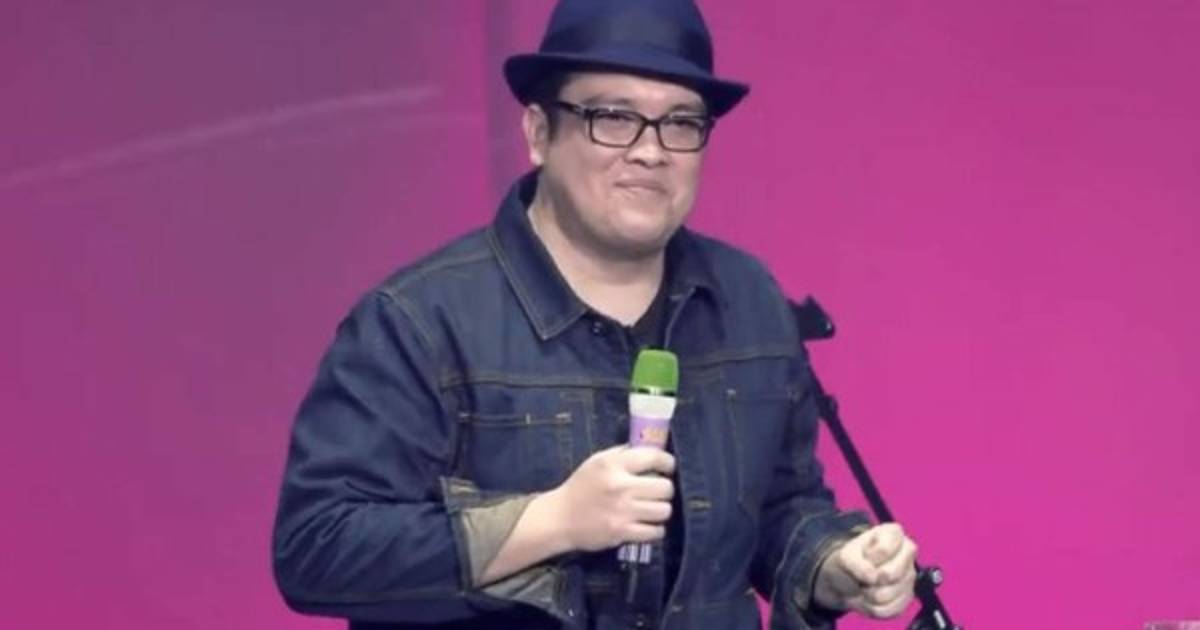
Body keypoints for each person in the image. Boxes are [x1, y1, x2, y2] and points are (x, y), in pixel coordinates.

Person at [272, 0, 918, 628]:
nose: (651, 151)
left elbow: (778, 506)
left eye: (681, 123)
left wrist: (833, 564)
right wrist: (553, 521)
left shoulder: (749, 299)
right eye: (614, 117)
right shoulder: (418, 321)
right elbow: (318, 549)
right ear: (538, 133)